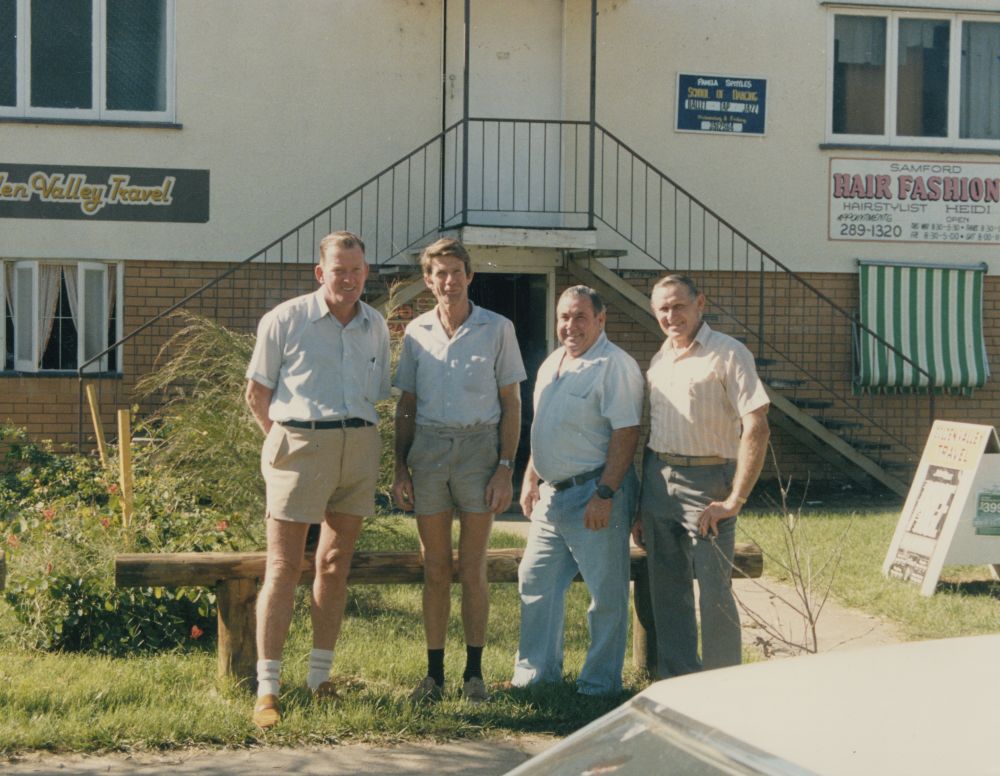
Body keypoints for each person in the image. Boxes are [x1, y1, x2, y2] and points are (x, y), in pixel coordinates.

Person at [244, 231, 390, 729]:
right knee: (284, 566)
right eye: (338, 270)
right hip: (300, 444)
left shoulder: (376, 325)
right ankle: (268, 690)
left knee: (333, 563)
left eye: (356, 270)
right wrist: (283, 443)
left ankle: (318, 679)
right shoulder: (285, 319)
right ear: (319, 272)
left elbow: (376, 393)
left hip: (359, 446)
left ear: (366, 273)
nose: (347, 279)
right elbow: (256, 394)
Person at [392, 238, 526, 704]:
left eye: (456, 272)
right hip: (428, 451)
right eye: (439, 274)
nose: (448, 281)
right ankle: (434, 676)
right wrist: (399, 468)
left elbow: (512, 404)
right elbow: (406, 407)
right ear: (427, 281)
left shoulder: (497, 328)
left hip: (479, 451)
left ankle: (473, 675)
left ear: (470, 275)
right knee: (435, 567)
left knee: (471, 568)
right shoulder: (416, 333)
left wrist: (505, 468)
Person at [633, 273, 770, 678]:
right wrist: (643, 503)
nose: (671, 315)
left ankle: (722, 683)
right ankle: (678, 678)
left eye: (679, 306)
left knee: (714, 593)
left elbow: (757, 425)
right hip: (661, 481)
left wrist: (735, 499)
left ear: (700, 304)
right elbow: (652, 433)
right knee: (667, 590)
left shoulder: (729, 353)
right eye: (663, 308)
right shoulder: (660, 359)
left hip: (711, 482)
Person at [511, 285, 643, 696]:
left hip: (594, 494)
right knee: (535, 581)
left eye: (581, 317)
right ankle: (535, 678)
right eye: (564, 317)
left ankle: (599, 685)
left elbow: (627, 432)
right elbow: (546, 426)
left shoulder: (615, 365)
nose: (571, 325)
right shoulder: (554, 361)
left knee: (605, 596)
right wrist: (531, 475)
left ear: (601, 320)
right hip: (551, 497)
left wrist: (606, 493)